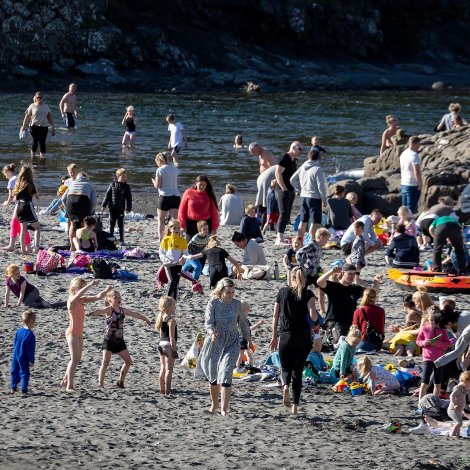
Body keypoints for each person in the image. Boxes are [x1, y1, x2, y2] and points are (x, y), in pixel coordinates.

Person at [197, 278, 251, 415]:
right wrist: (211, 333)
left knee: (227, 372)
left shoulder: (237, 304)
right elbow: (208, 323)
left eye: (233, 292)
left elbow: (243, 323)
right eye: (228, 292)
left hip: (232, 342)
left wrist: (248, 339)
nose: (231, 295)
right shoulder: (213, 304)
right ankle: (214, 404)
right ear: (221, 291)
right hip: (215, 341)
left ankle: (224, 409)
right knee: (213, 375)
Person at [269, 267, 317, 414]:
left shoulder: (283, 292)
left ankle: (285, 387)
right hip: (303, 337)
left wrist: (273, 337)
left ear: (292, 277)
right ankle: (295, 407)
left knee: (285, 368)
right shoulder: (308, 294)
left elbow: (275, 316)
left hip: (285, 336)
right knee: (297, 371)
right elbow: (313, 317)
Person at [87, 289, 151, 388]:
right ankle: (100, 384)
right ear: (109, 300)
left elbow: (135, 314)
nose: (118, 299)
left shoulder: (122, 310)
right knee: (105, 362)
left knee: (128, 362)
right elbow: (100, 311)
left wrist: (145, 319)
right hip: (108, 340)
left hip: (119, 341)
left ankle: (120, 381)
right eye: (115, 297)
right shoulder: (109, 310)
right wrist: (90, 313)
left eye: (119, 297)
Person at [61, 278, 111, 392]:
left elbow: (98, 297)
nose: (84, 289)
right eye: (81, 287)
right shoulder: (71, 301)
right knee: (74, 360)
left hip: (79, 334)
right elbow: (79, 293)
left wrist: (106, 290)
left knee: (77, 359)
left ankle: (64, 380)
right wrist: (90, 284)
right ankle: (69, 386)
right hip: (72, 333)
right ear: (74, 288)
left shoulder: (81, 300)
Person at [317, 264, 382, 339]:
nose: (352, 276)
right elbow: (319, 282)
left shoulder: (355, 289)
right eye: (349, 273)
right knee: (339, 339)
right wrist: (331, 272)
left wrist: (376, 282)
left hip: (350, 323)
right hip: (334, 322)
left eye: (354, 274)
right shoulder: (334, 286)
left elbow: (373, 292)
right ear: (343, 273)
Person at [290, 147, 327, 241]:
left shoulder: (302, 166)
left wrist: (299, 188)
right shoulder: (317, 169)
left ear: (308, 157)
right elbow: (321, 186)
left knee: (303, 221)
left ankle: (300, 241)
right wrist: (324, 200)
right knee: (315, 223)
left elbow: (292, 179)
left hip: (303, 197)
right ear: (318, 158)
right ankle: (312, 241)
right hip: (314, 198)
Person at [416, 306, 453, 400]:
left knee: (437, 384)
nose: (433, 323)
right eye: (431, 320)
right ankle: (420, 403)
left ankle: (435, 403)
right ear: (427, 319)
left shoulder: (442, 330)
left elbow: (448, 343)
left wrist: (437, 343)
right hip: (427, 359)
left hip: (439, 360)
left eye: (435, 321)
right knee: (424, 383)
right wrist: (425, 343)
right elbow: (418, 341)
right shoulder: (424, 328)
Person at [275, 141, 303, 245]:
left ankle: (281, 235)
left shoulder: (294, 160)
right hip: (283, 189)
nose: (301, 152)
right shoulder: (284, 158)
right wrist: (283, 188)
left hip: (291, 189)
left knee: (287, 214)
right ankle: (279, 238)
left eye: (302, 149)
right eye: (300, 149)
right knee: (283, 213)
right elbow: (277, 173)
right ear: (293, 148)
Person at [1, 163, 31, 252]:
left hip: (20, 204)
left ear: (8, 172)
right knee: (18, 224)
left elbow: (11, 196)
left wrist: (7, 202)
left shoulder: (12, 180)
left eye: (5, 174)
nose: (6, 176)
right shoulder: (19, 177)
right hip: (26, 203)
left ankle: (14, 245)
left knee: (16, 223)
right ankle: (23, 246)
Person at [62, 172, 97, 247]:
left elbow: (63, 199)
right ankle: (81, 245)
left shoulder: (72, 183)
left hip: (70, 202)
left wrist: (67, 209)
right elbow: (94, 202)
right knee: (83, 224)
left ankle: (72, 246)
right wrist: (90, 210)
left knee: (72, 224)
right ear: (87, 178)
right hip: (82, 201)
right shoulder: (90, 184)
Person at [152, 152, 180, 241]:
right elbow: (176, 162)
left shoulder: (160, 170)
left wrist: (153, 182)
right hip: (175, 196)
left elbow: (158, 185)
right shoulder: (174, 168)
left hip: (164, 196)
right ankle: (175, 238)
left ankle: (161, 239)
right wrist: (175, 156)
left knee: (161, 220)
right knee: (174, 220)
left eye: (156, 162)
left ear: (159, 160)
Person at [12, 165, 40, 254]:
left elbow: (15, 198)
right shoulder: (30, 184)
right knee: (37, 227)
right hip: (28, 205)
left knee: (23, 229)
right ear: (30, 174)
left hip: (19, 206)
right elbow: (37, 197)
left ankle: (23, 250)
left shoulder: (19, 183)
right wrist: (36, 192)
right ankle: (36, 248)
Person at [101, 168, 132, 246]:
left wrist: (128, 208)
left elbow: (129, 198)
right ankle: (111, 238)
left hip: (121, 209)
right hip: (112, 208)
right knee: (111, 224)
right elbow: (107, 196)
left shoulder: (126, 187)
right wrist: (104, 205)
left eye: (125, 177)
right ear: (118, 176)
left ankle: (121, 240)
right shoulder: (112, 185)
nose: (124, 178)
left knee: (121, 224)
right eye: (123, 177)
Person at [159, 219, 188, 300]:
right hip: (169, 264)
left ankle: (173, 303)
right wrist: (166, 260)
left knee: (176, 284)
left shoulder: (182, 240)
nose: (176, 230)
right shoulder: (166, 239)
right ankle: (166, 300)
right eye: (174, 228)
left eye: (178, 228)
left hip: (178, 264)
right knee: (172, 281)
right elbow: (161, 253)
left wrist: (183, 258)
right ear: (169, 229)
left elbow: (185, 253)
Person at [20, 92, 55, 159]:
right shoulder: (32, 105)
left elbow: (50, 117)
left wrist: (53, 127)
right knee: (35, 141)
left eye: (40, 97)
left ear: (42, 98)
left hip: (44, 127)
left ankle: (42, 158)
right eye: (37, 97)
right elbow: (27, 117)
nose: (39, 99)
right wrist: (23, 127)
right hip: (34, 127)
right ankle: (32, 157)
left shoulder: (46, 106)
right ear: (35, 98)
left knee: (42, 142)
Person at [156, 296, 178, 396]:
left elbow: (161, 335)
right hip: (168, 345)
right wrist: (174, 349)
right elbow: (172, 337)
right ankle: (167, 390)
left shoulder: (161, 318)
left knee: (162, 368)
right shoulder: (171, 321)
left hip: (161, 344)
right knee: (169, 369)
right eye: (174, 306)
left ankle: (161, 389)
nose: (175, 307)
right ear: (169, 307)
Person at [249, 143, 277, 222]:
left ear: (258, 147)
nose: (253, 154)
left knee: (265, 199)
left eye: (253, 151)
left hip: (268, 180)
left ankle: (265, 217)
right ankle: (260, 215)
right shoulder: (260, 154)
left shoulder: (266, 153)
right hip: (263, 180)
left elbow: (273, 167)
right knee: (261, 198)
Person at [10, 310, 36, 397]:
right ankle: (24, 390)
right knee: (25, 372)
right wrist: (31, 361)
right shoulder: (30, 334)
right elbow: (30, 350)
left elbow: (15, 342)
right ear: (32, 321)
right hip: (23, 355)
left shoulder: (18, 331)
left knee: (15, 370)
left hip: (15, 354)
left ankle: (13, 388)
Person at [352, 288, 385, 352]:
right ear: (375, 297)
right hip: (378, 343)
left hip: (364, 342)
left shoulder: (359, 311)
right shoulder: (381, 310)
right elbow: (382, 329)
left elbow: (355, 330)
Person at [236, 300, 264, 367]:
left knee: (240, 356)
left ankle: (237, 367)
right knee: (249, 355)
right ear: (244, 310)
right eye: (248, 311)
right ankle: (250, 367)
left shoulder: (237, 319)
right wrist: (258, 324)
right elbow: (250, 329)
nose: (248, 313)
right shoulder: (244, 320)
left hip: (239, 340)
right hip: (245, 339)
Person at [400, 136, 422, 214]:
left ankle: (402, 225)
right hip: (412, 184)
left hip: (404, 183)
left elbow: (402, 169)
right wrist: (420, 184)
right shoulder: (414, 155)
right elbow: (417, 172)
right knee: (410, 209)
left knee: (403, 208)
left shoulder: (403, 153)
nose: (419, 146)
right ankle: (409, 225)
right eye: (419, 144)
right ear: (415, 144)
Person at [448, 371, 470, 438]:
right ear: (465, 381)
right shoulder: (458, 388)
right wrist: (454, 404)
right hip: (453, 409)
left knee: (459, 422)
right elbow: (451, 396)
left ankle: (458, 434)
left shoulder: (463, 389)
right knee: (459, 423)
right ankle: (453, 434)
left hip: (458, 410)